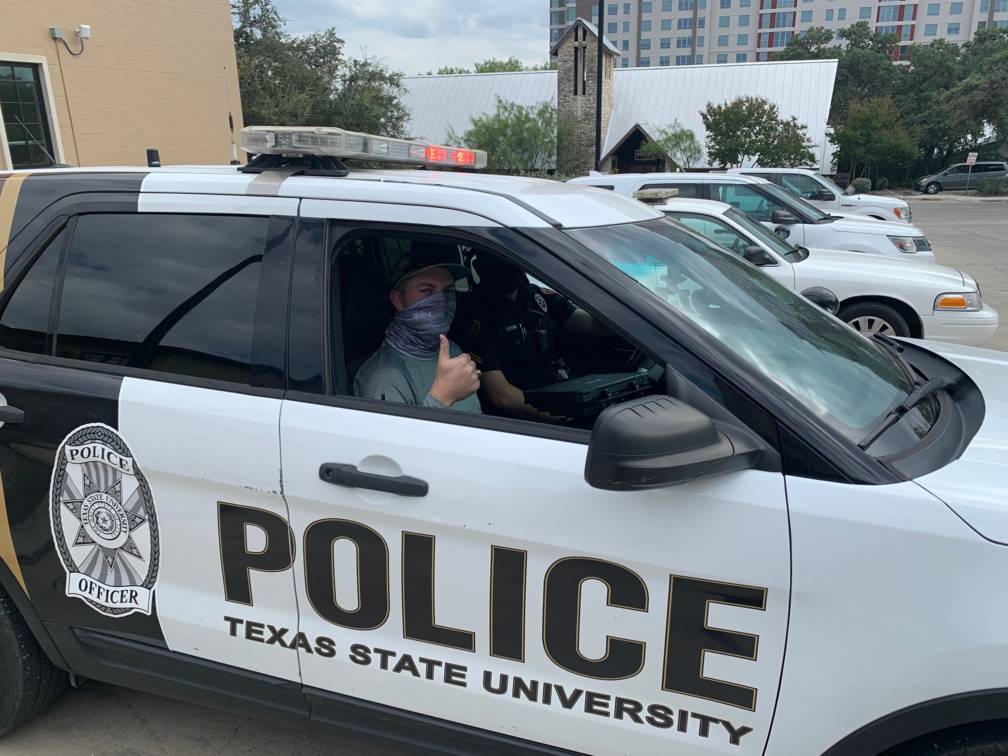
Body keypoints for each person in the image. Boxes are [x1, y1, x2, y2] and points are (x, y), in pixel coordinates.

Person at [471, 254, 605, 420]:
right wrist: (560, 417)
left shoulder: (534, 295)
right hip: (528, 419)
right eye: (497, 260)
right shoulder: (475, 312)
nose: (506, 266)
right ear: (478, 266)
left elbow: (593, 324)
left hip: (562, 394)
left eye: (511, 259)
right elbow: (502, 397)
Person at [354, 243, 482, 413]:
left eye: (448, 291)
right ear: (398, 300)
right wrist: (443, 398)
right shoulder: (383, 380)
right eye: (427, 291)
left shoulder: (451, 349)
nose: (441, 301)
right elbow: (393, 439)